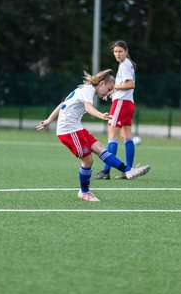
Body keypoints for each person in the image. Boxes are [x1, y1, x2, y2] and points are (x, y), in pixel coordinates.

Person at [36, 69, 146, 202]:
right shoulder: (88, 91)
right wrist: (101, 115)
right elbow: (88, 108)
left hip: (76, 127)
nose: (109, 93)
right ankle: (84, 192)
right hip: (68, 130)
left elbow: (62, 104)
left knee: (100, 148)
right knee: (88, 161)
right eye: (109, 89)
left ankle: (128, 170)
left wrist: (48, 120)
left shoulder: (83, 89)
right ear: (101, 84)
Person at [93, 40, 150, 180]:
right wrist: (112, 91)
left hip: (121, 104)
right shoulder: (126, 64)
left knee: (112, 137)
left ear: (126, 51)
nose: (117, 54)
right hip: (128, 103)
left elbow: (130, 85)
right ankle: (128, 171)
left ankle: (106, 171)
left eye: (120, 51)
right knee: (127, 137)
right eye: (115, 52)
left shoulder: (125, 65)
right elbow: (125, 85)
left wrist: (112, 88)